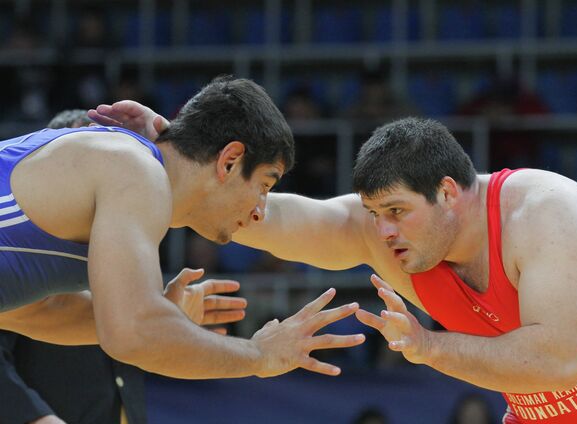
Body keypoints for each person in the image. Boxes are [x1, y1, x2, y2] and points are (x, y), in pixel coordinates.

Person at [99, 105, 577, 423]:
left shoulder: (549, 213)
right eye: (373, 213)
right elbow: (278, 218)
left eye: (396, 212)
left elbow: (557, 362)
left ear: (449, 192)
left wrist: (428, 346)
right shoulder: (397, 239)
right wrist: (184, 165)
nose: (384, 231)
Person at [0, 76, 365, 386]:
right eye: (265, 186)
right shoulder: (135, 169)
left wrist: (166, 320)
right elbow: (133, 333)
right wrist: (258, 354)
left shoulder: (129, 169)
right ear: (231, 160)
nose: (259, 212)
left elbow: (40, 310)